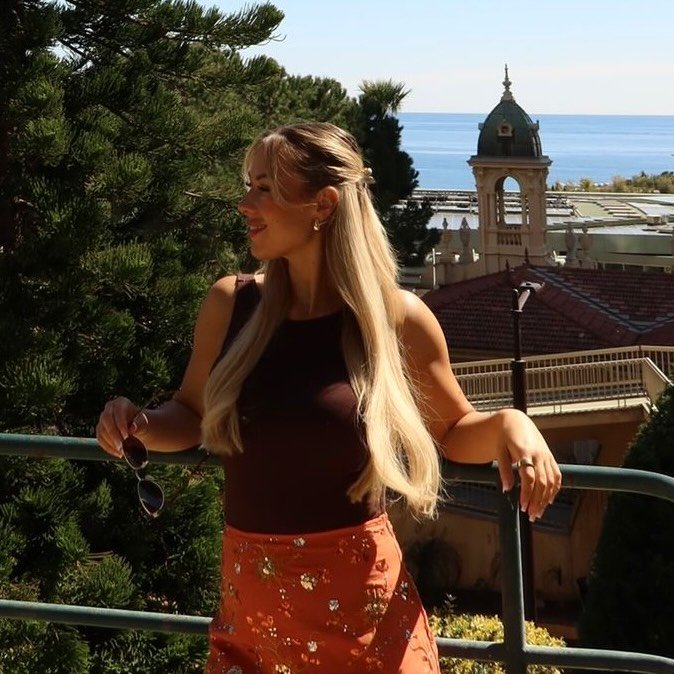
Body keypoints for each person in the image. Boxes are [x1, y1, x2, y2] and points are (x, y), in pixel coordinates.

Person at [96, 122, 562, 673]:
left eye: (265, 188)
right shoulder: (230, 304)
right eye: (249, 186)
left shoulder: (397, 319)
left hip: (366, 629)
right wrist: (138, 423)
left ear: (322, 204)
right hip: (252, 630)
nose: (245, 204)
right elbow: (193, 413)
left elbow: (454, 431)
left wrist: (513, 424)